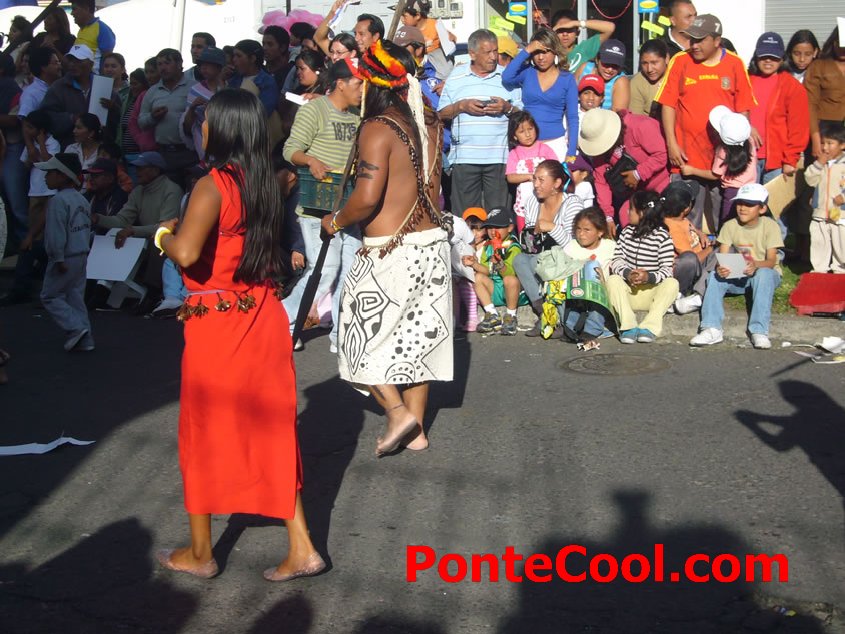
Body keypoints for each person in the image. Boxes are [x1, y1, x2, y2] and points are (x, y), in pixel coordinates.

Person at [153, 89, 322, 581]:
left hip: (219, 323)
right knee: (272, 430)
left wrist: (163, 235)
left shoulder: (213, 185)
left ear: (224, 128)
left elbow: (187, 253)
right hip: (263, 313)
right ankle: (302, 547)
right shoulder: (268, 182)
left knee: (203, 431)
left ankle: (200, 552)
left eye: (206, 121)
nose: (201, 128)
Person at [320, 40, 451, 455]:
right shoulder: (430, 122)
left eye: (362, 81)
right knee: (416, 340)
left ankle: (397, 412)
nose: (358, 89)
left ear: (376, 84)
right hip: (432, 244)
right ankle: (417, 432)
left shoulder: (377, 127)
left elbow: (365, 199)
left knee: (355, 337)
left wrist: (335, 221)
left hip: (389, 250)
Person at [282, 58, 362, 351]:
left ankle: (342, 334)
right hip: (316, 206)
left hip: (348, 208)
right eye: (358, 84)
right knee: (326, 269)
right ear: (340, 84)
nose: (362, 90)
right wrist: (310, 160)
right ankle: (282, 319)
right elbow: (290, 149)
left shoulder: (357, 117)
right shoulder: (314, 110)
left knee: (351, 271)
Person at [655, 13, 755, 231]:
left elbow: (743, 109)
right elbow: (668, 105)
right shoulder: (680, 61)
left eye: (700, 40)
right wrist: (672, 143)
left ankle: (723, 254)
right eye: (692, 39)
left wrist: (738, 151)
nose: (694, 45)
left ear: (717, 40)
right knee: (685, 220)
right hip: (685, 158)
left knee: (725, 219)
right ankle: (687, 254)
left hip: (723, 161)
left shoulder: (735, 64)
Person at [690, 183, 783, 349]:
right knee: (715, 276)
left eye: (749, 204)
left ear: (762, 209)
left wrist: (756, 265)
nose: (742, 208)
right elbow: (724, 257)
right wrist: (722, 268)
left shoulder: (770, 226)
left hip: (764, 272)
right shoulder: (730, 226)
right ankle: (711, 328)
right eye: (740, 203)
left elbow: (771, 261)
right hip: (740, 273)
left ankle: (759, 330)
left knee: (764, 274)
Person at [438, 29, 521, 213]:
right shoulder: (456, 77)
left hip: (499, 159)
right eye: (487, 52)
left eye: (495, 51)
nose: (493, 57)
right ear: (472, 54)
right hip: (464, 158)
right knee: (467, 217)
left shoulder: (507, 77)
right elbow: (441, 114)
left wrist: (506, 108)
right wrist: (461, 106)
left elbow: (522, 114)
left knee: (499, 217)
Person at [93, 151, 182, 309]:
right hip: (145, 236)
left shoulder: (172, 190)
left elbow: (166, 227)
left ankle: (153, 292)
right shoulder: (138, 191)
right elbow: (122, 220)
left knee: (158, 242)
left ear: (155, 170)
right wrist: (97, 218)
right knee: (114, 233)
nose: (137, 171)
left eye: (142, 168)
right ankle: (101, 286)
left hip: (167, 239)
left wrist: (132, 230)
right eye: (136, 168)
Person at [512, 159, 584, 336]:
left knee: (537, 261)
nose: (536, 184)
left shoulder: (572, 203)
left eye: (541, 180)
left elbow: (572, 245)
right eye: (535, 179)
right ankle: (544, 312)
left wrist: (551, 227)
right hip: (541, 256)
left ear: (557, 183)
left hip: (567, 258)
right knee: (520, 259)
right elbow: (531, 243)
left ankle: (557, 319)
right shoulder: (532, 202)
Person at [35, 152, 94, 352]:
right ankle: (86, 339)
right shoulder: (82, 199)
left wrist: (57, 258)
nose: (45, 177)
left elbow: (56, 234)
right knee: (75, 296)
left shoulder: (57, 201)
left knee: (50, 296)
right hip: (82, 254)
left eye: (49, 173)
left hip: (64, 257)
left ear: (62, 175)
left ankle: (75, 328)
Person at [606, 191, 679, 343]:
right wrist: (628, 274)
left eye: (631, 209)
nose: (628, 212)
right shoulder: (626, 232)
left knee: (672, 283)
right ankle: (628, 326)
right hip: (629, 294)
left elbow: (667, 269)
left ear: (642, 212)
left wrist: (648, 277)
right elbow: (617, 259)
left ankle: (650, 327)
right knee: (612, 280)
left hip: (652, 295)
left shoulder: (662, 236)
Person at [578, 108, 669, 229]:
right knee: (625, 216)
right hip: (635, 195)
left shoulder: (641, 126)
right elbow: (601, 182)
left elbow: (661, 155)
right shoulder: (600, 154)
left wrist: (638, 174)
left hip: (661, 185)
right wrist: (608, 216)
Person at [4, 110, 60, 306]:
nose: (26, 131)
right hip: (34, 192)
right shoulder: (31, 145)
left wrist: (40, 143)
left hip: (48, 192)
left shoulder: (53, 143)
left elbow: (47, 162)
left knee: (44, 234)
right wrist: (30, 143)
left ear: (41, 130)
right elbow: (29, 162)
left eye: (29, 127)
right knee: (34, 234)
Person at [502, 28, 578, 161]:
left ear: (555, 51)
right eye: (536, 52)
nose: (541, 57)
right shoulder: (527, 73)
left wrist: (571, 152)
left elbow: (572, 117)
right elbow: (507, 78)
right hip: (527, 146)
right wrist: (526, 50)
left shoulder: (567, 79)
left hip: (556, 145)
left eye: (546, 51)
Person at [746, 32, 810, 186]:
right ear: (756, 57)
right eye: (764, 56)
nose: (768, 60)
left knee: (771, 201)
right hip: (746, 158)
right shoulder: (745, 81)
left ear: (782, 59)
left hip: (776, 161)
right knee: (746, 200)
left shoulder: (793, 87)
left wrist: (790, 159)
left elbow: (799, 127)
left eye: (774, 57)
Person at [681, 106, 756, 228]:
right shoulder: (750, 142)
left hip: (732, 192)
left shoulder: (723, 151)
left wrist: (692, 171)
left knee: (727, 225)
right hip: (750, 189)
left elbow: (715, 175)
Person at [40, 44, 118, 148]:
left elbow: (120, 123)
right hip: (67, 149)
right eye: (70, 60)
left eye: (78, 61)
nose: (72, 64)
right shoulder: (58, 87)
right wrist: (71, 118)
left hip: (100, 150)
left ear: (91, 64)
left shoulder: (104, 86)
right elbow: (46, 116)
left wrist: (113, 109)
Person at [138, 49, 197, 184]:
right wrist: (153, 117)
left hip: (189, 153)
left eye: (167, 63)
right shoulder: (152, 91)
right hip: (164, 154)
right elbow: (141, 123)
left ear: (179, 64)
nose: (163, 68)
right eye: (159, 64)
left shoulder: (194, 88)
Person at [561, 206, 616, 344]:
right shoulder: (571, 247)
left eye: (587, 230)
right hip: (577, 294)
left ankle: (592, 329)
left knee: (593, 268)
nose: (581, 234)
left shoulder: (610, 247)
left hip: (601, 294)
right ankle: (571, 327)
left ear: (600, 232)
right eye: (578, 229)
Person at [468, 207, 525, 335]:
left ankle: (511, 316)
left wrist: (500, 265)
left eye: (497, 227)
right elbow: (486, 271)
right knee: (477, 277)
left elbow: (512, 274)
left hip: (512, 292)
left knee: (510, 279)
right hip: (494, 289)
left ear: (510, 228)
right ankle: (492, 313)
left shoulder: (513, 246)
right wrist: (474, 264)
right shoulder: (488, 246)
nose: (493, 232)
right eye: (489, 228)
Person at [660, 180, 715, 314]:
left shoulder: (680, 219)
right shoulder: (672, 227)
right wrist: (711, 249)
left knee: (726, 251)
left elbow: (690, 229)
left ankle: (700, 294)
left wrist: (700, 233)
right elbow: (692, 260)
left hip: (698, 262)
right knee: (692, 259)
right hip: (686, 271)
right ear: (686, 208)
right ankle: (680, 296)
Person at [804, 122, 845, 274]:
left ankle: (841, 270)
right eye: (823, 143)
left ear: (842, 145)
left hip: (840, 214)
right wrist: (818, 164)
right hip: (820, 213)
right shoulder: (820, 164)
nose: (825, 148)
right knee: (819, 242)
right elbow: (809, 179)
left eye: (830, 143)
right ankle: (819, 270)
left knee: (841, 244)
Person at [506, 111, 557, 232]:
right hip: (524, 204)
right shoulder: (514, 153)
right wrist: (529, 176)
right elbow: (510, 177)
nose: (528, 134)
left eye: (530, 129)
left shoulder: (545, 149)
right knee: (525, 234)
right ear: (514, 136)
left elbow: (556, 169)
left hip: (546, 202)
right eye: (522, 131)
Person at [803, 27, 845, 162]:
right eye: (839, 44)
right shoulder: (819, 66)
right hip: (824, 132)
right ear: (833, 43)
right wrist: (816, 140)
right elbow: (810, 104)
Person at [181, 47, 225, 158]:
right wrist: (192, 108)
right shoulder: (195, 90)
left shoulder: (230, 89)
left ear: (219, 66)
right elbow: (187, 126)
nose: (203, 67)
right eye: (201, 64)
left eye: (208, 64)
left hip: (225, 144)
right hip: (203, 145)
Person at [548, 9, 615, 79]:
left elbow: (610, 28)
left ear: (577, 33)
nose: (565, 34)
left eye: (569, 29)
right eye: (560, 30)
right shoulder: (547, 53)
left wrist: (576, 23)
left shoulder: (584, 49)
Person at [228, 40, 279, 118]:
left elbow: (263, 112)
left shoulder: (267, 82)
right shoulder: (234, 79)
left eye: (238, 56)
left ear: (252, 58)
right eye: (234, 56)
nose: (234, 59)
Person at [580, 40, 629, 112]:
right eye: (606, 64)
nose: (610, 69)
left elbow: (618, 115)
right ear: (597, 60)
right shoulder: (585, 68)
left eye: (615, 66)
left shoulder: (620, 81)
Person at [71, 0, 115, 73]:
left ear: (86, 9)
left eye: (74, 9)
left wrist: (100, 79)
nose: (72, 13)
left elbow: (107, 61)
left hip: (94, 78)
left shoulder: (102, 29)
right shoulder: (82, 29)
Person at [629, 39, 669, 118]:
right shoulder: (637, 83)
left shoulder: (677, 76)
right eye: (644, 63)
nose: (649, 69)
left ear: (667, 58)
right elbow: (636, 120)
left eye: (654, 63)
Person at [84, 157, 128, 226]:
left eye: (96, 176)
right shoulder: (89, 194)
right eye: (91, 176)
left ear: (110, 178)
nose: (91, 179)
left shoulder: (120, 197)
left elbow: (115, 226)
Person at [65, 113, 102, 191]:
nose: (74, 131)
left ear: (91, 133)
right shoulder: (71, 149)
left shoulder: (103, 152)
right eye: (75, 127)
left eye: (79, 128)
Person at [263, 25, 293, 89]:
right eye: (263, 44)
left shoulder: (292, 73)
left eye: (270, 44)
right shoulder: (260, 71)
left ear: (282, 48)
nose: (264, 48)